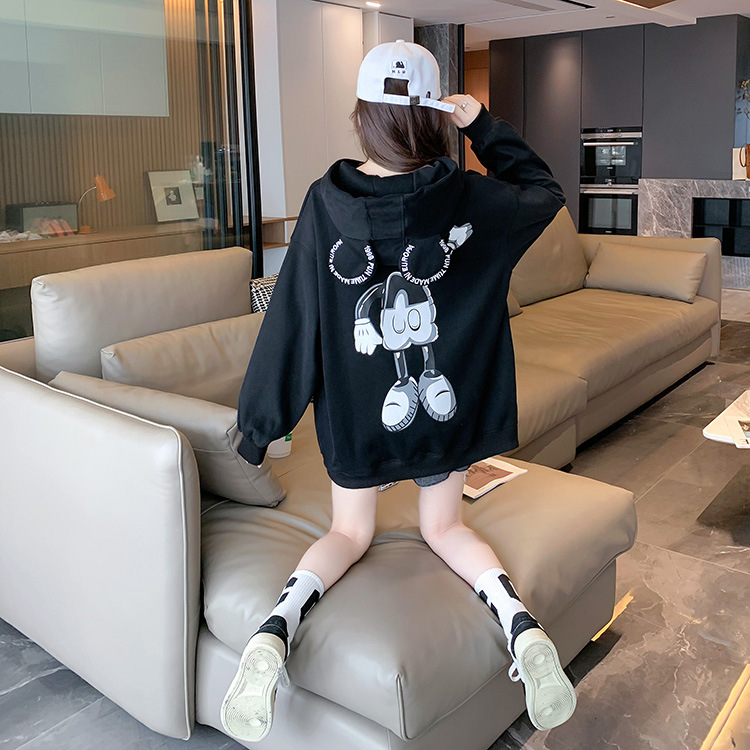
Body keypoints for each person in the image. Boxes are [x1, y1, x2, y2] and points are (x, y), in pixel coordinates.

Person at [221, 39, 576, 743]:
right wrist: (483, 127)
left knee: (347, 534)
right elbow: (545, 191)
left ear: (362, 115)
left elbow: (293, 318)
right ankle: (521, 628)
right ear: (434, 114)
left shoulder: (324, 203)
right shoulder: (473, 199)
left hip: (360, 419)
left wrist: (260, 428)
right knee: (446, 529)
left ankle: (273, 630)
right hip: (445, 414)